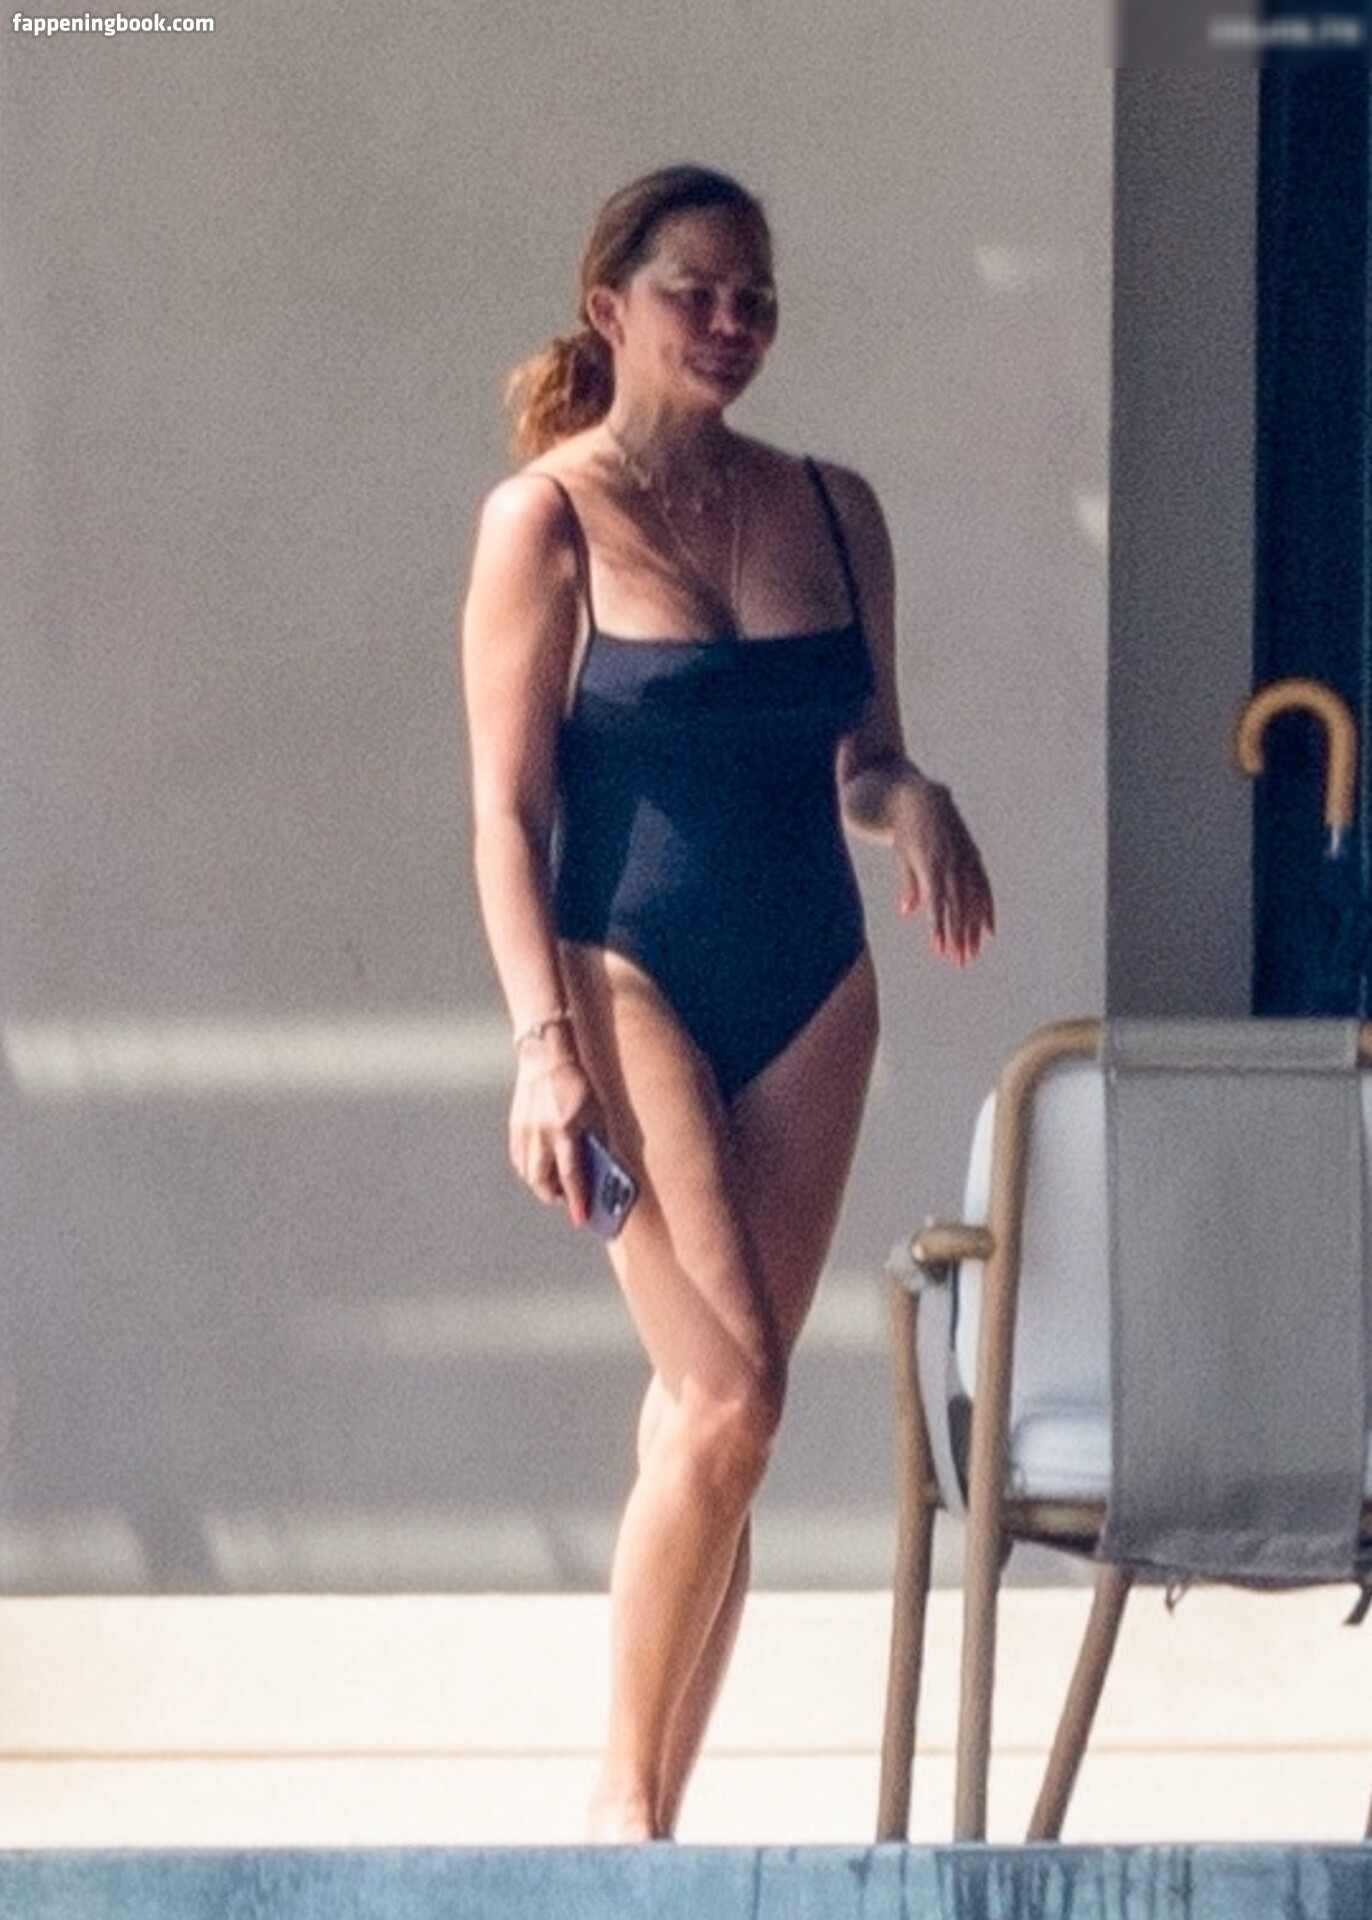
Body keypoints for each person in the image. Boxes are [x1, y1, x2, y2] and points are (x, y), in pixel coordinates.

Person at [459, 163, 994, 1841]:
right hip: (624, 973)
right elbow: (506, 813)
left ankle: (655, 1826)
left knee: (722, 1428)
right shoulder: (545, 520)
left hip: (812, 989)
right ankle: (619, 1823)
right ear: (609, 307)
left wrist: (914, 800)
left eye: (756, 294)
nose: (732, 320)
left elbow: (866, 754)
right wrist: (541, 1047)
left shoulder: (836, 508)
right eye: (695, 290)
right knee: (730, 1390)